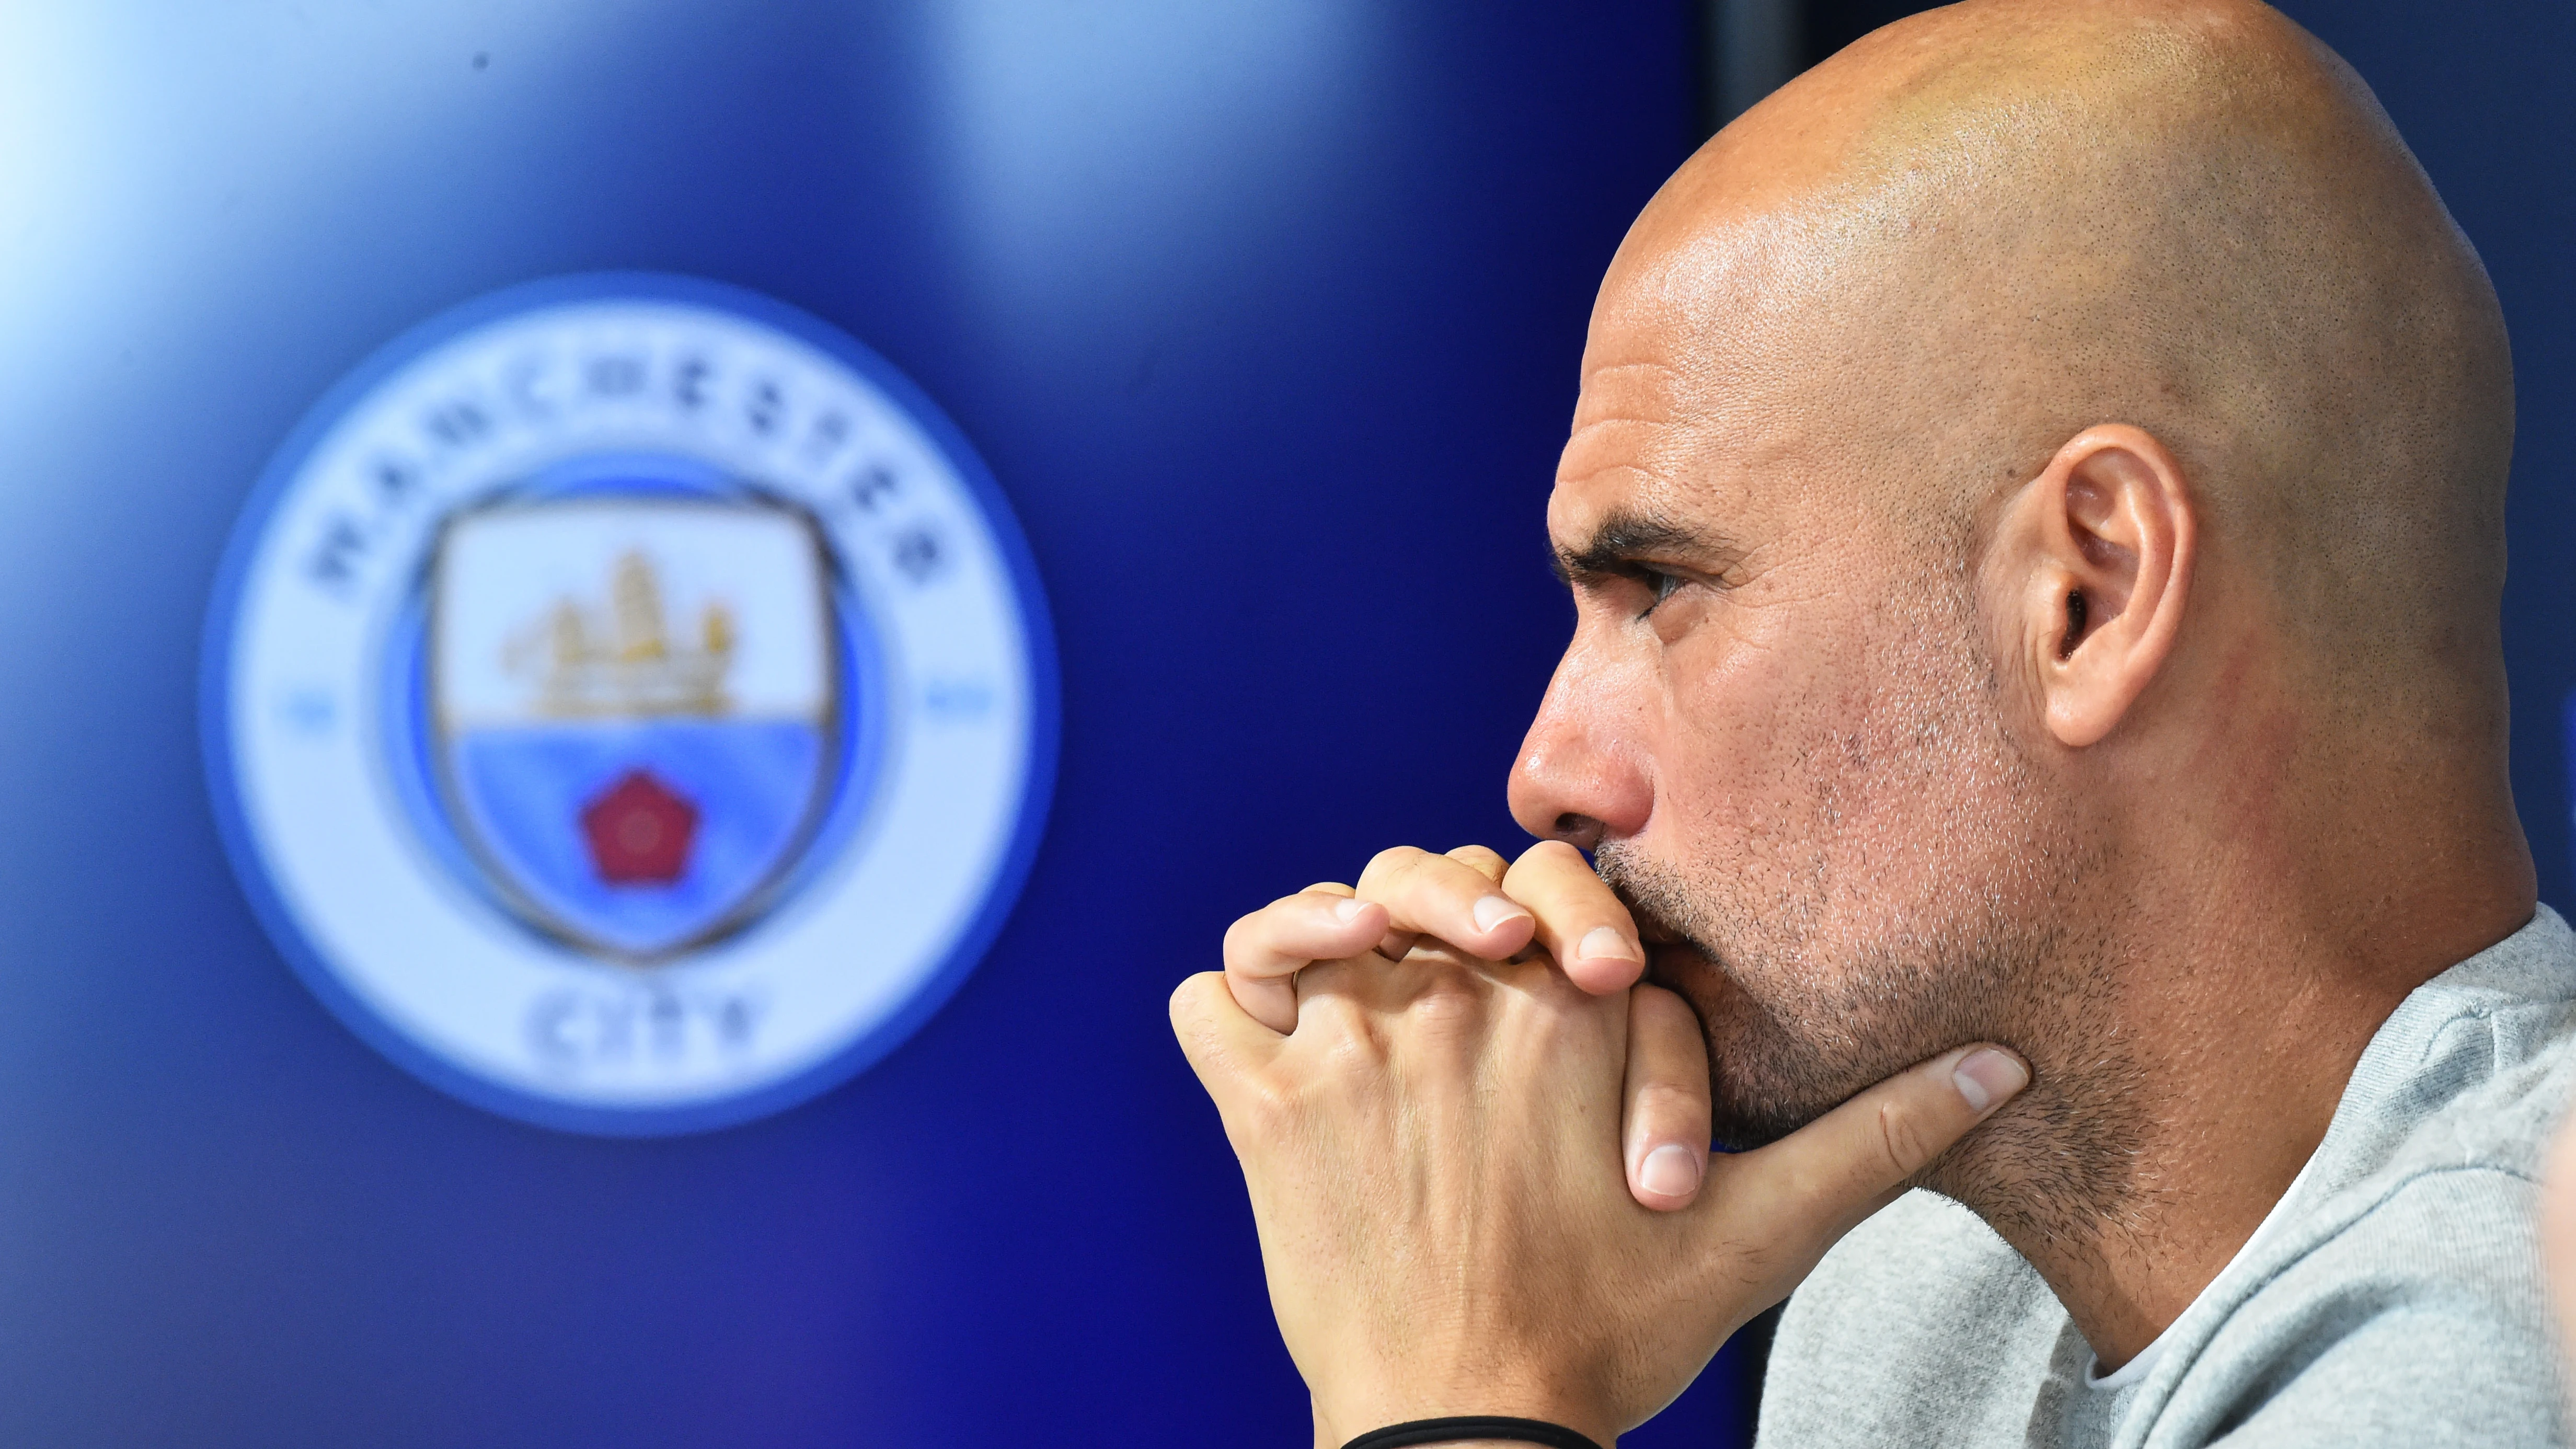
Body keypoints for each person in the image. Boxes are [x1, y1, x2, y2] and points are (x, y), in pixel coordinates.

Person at [1169, 1, 2575, 1445]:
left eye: (1658, 587)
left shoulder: (2490, 1340)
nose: (1545, 773)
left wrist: (1459, 1386)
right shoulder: (1926, 1271)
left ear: (2089, 594)